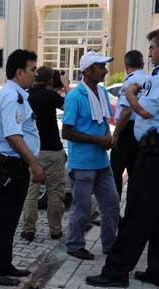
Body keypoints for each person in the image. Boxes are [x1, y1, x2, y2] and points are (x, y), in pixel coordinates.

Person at [86, 27, 159, 289]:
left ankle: (116, 272)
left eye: (152, 47)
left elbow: (146, 111)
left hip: (158, 153)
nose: (149, 53)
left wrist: (129, 94)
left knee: (138, 213)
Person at [0, 49, 46, 287]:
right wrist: (34, 164)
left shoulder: (6, 94)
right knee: (4, 220)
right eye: (32, 70)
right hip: (10, 166)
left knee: (7, 219)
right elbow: (13, 136)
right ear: (20, 72)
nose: (35, 75)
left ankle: (3, 264)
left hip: (5, 164)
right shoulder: (12, 98)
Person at [62, 51, 120, 261]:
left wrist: (108, 136)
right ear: (87, 71)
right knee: (82, 208)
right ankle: (75, 244)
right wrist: (99, 140)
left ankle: (110, 245)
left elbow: (103, 121)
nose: (105, 70)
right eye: (101, 67)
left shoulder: (102, 93)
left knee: (112, 203)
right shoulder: (75, 97)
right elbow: (66, 132)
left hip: (101, 161)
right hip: (83, 163)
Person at [22, 66, 69, 242]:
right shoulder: (51, 96)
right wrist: (65, 86)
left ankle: (28, 230)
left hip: (33, 151)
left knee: (31, 192)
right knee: (55, 192)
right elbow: (69, 107)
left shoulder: (27, 96)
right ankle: (55, 230)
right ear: (50, 79)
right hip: (54, 150)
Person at [111, 50, 149, 199]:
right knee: (136, 175)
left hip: (127, 131)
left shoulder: (129, 82)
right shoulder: (150, 80)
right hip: (143, 130)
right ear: (143, 64)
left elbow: (126, 111)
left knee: (115, 173)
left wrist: (116, 134)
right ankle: (132, 215)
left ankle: (114, 214)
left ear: (126, 66)